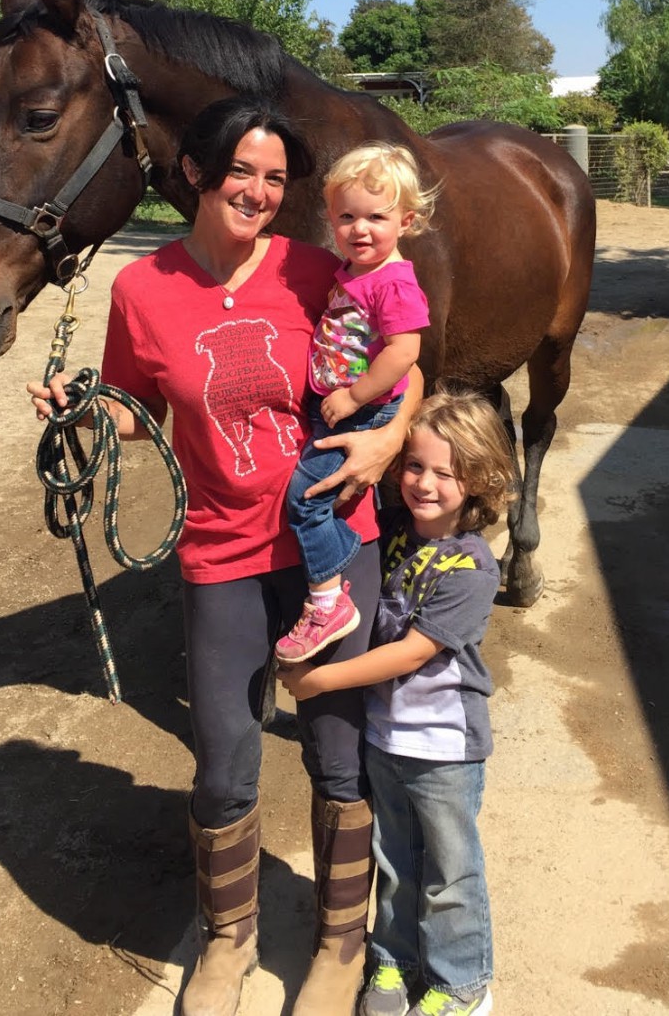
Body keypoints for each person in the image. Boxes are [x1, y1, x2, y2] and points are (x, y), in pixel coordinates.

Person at [27, 96, 423, 1016]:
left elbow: (407, 357)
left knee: (337, 745)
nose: (259, 190)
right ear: (199, 173)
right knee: (223, 755)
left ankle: (338, 940)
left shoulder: (321, 266)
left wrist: (387, 437)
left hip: (334, 537)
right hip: (222, 549)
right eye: (242, 171)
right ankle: (227, 941)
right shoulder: (144, 289)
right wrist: (87, 411)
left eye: (277, 178)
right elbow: (137, 411)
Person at [279, 389, 515, 1016]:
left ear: (481, 480)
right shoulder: (392, 537)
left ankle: (461, 980)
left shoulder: (473, 566)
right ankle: (392, 962)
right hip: (386, 740)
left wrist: (322, 682)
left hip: (444, 749)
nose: (425, 483)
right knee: (393, 859)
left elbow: (411, 653)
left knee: (448, 872)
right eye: (415, 466)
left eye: (446, 472)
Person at [275, 143, 436, 666]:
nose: (359, 229)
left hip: (364, 409)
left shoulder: (393, 282)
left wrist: (354, 395)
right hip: (343, 402)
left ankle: (328, 599)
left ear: (406, 221)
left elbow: (405, 352)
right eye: (346, 217)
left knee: (307, 499)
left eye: (376, 217)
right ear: (330, 219)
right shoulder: (355, 271)